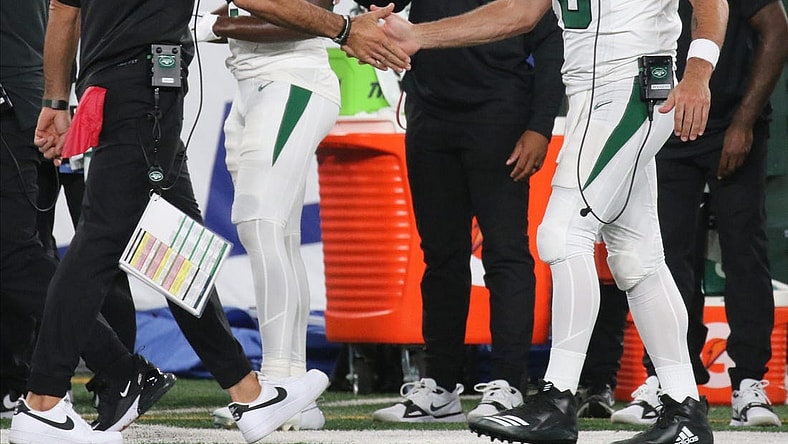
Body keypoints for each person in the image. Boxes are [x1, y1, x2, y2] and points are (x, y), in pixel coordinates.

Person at [377, 0, 728, 443]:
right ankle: (684, 410)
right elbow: (519, 11)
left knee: (563, 235)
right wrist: (419, 35)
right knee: (637, 260)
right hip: (593, 94)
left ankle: (557, 398)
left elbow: (712, 3)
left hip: (630, 86)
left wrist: (698, 73)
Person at [7, 1, 331, 443]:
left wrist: (56, 100)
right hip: (146, 89)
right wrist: (344, 28)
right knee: (100, 242)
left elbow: (63, 10)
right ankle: (42, 403)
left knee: (179, 243)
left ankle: (248, 393)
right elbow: (258, 1)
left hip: (117, 84)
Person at [356, 0, 564, 424]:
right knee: (441, 254)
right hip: (429, 112)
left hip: (500, 112)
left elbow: (550, 40)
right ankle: (440, 384)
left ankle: (508, 382)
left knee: (505, 251)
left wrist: (540, 126)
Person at [612, 0, 788, 429]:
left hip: (731, 120)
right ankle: (671, 382)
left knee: (744, 252)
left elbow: (777, 31)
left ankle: (749, 383)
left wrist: (744, 122)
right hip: (666, 122)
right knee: (664, 257)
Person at [1, 0, 163, 427]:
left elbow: (64, 13)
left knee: (21, 257)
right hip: (35, 99)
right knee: (30, 253)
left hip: (29, 105)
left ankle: (115, 369)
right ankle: (32, 378)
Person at [191, 0, 341, 431]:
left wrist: (214, 25)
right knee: (278, 235)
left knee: (260, 225)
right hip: (252, 86)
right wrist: (214, 21)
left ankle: (277, 385)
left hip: (293, 79)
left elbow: (307, 20)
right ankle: (294, 388)